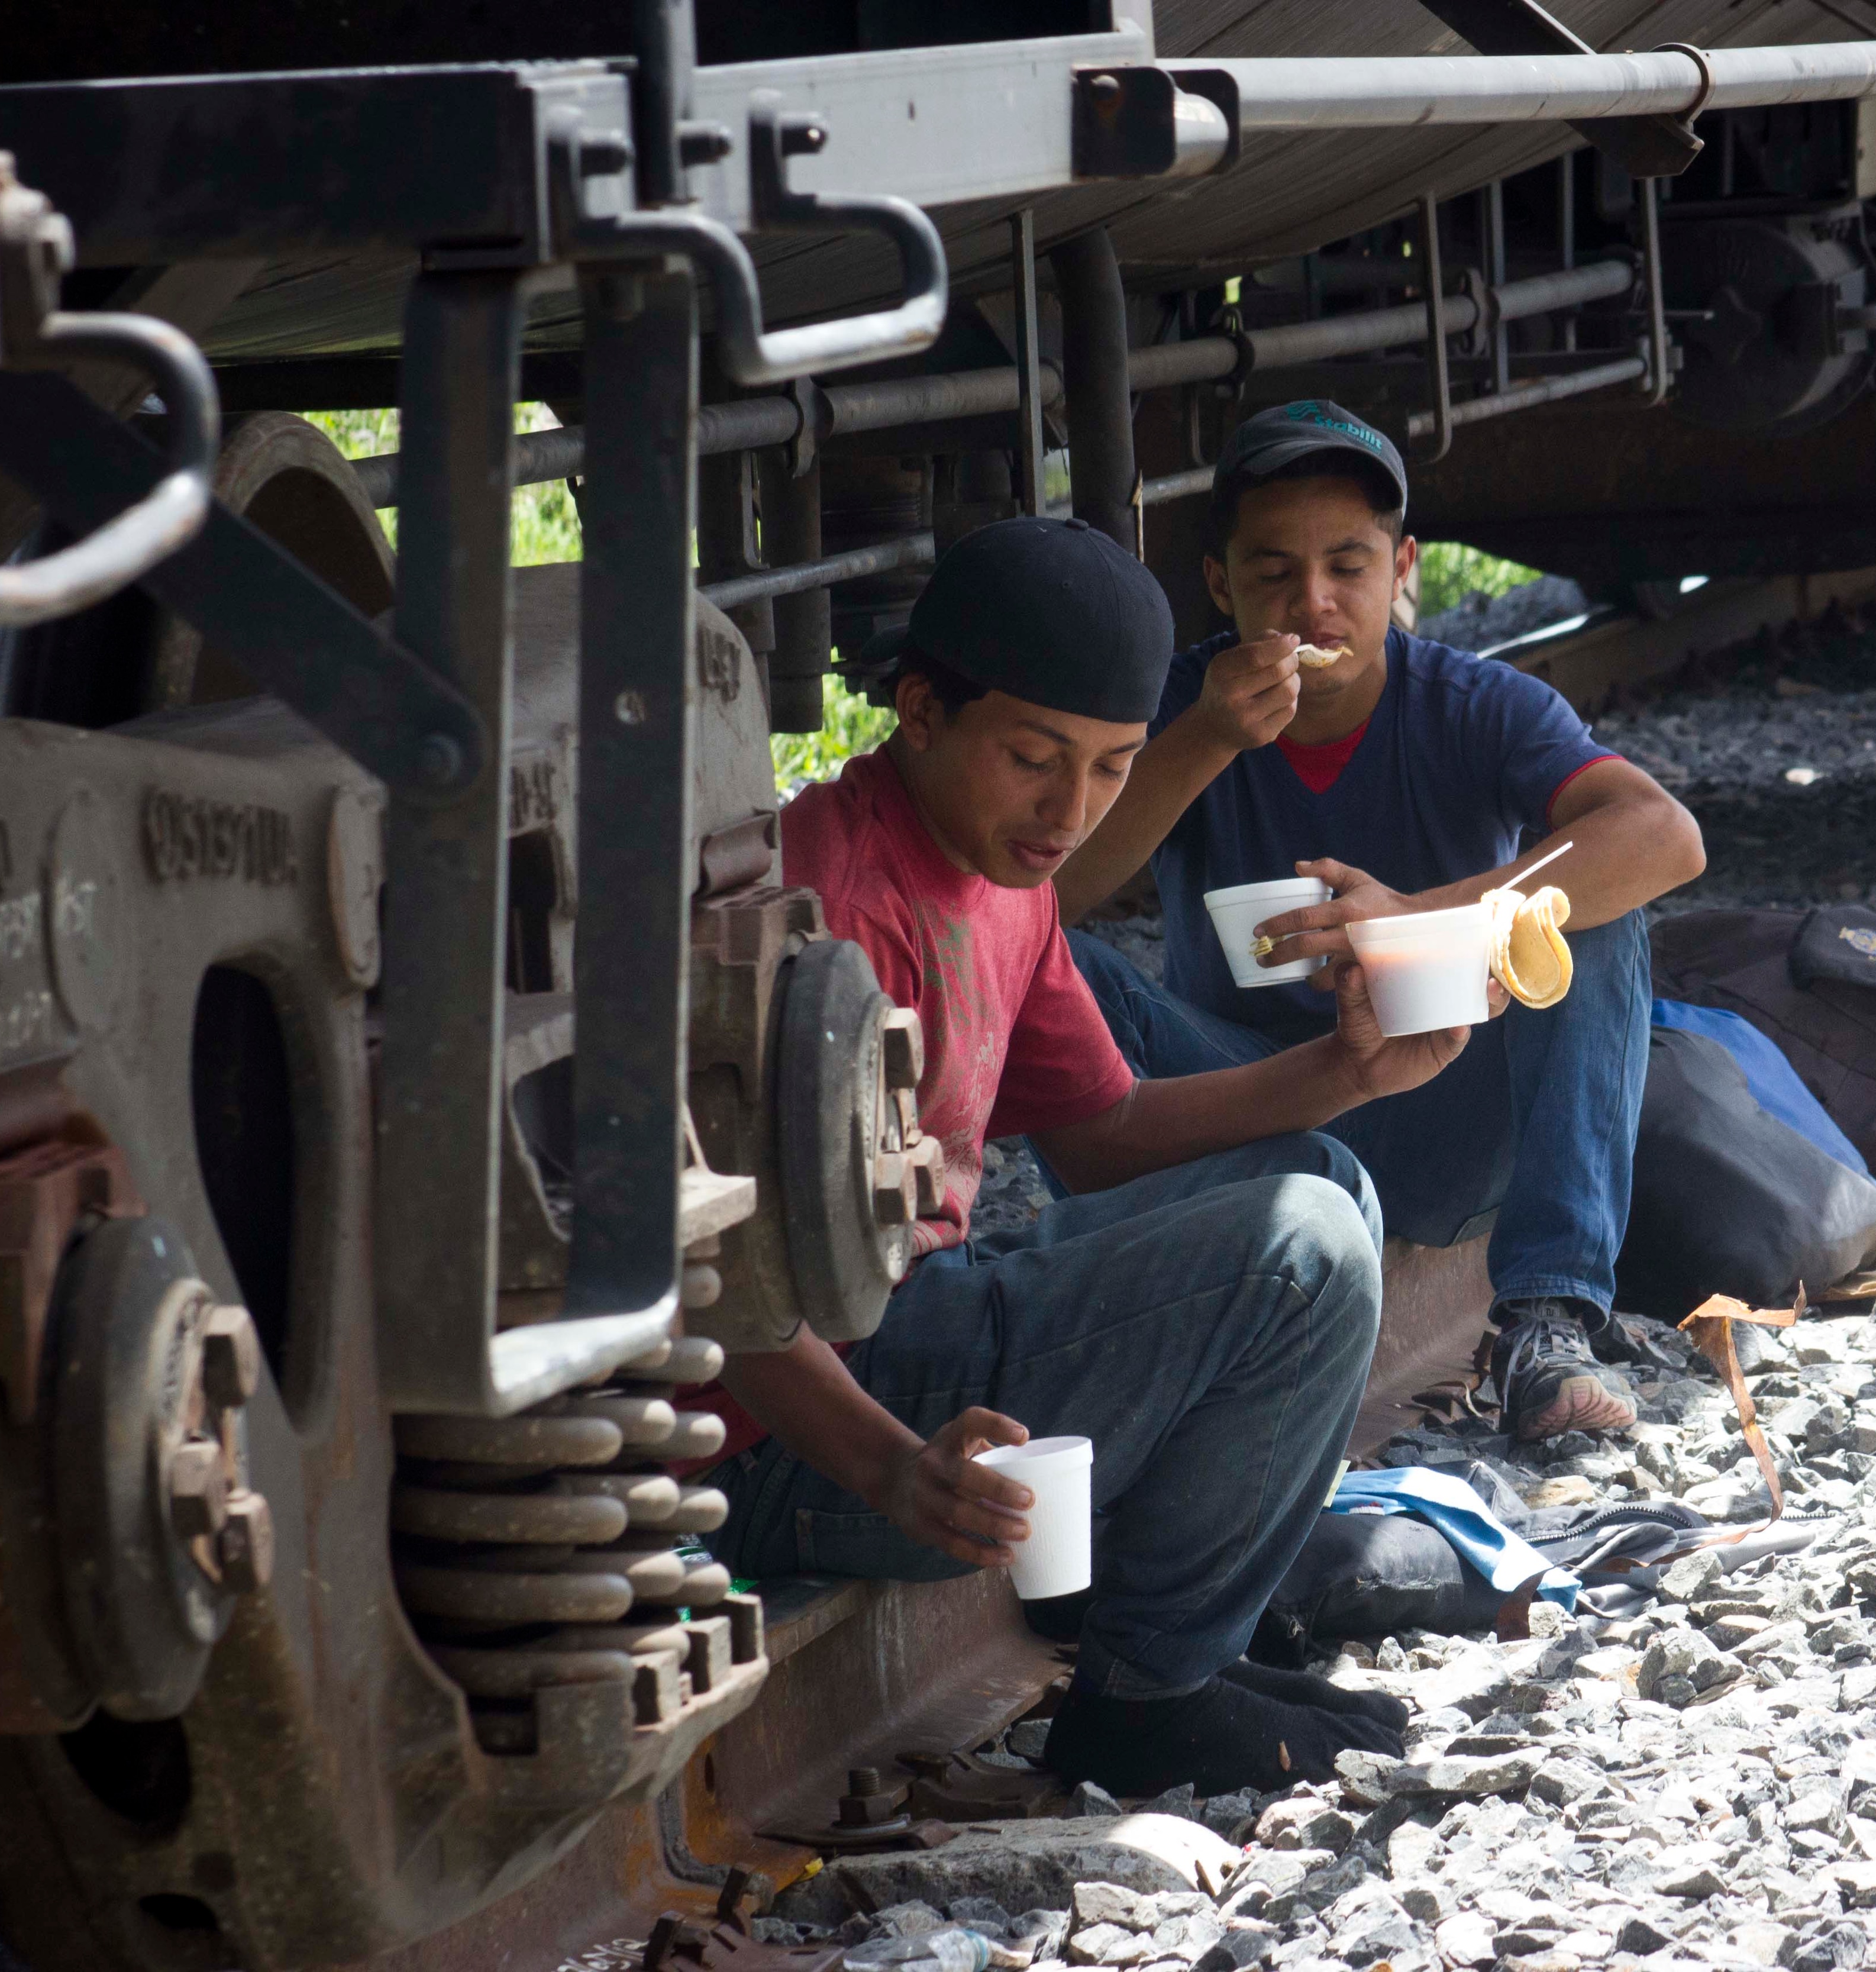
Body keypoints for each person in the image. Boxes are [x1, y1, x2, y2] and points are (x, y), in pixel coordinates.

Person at [694, 516, 1484, 1797]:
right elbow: (719, 1277)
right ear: (919, 711)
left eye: (1115, 769)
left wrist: (1348, 1073)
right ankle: (1148, 1696)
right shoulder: (827, 909)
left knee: (1325, 1180)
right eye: (1034, 758)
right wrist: (897, 1467)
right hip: (787, 1442)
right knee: (1307, 1247)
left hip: (903, 1351)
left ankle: (1170, 1621)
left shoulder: (995, 868)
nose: (1072, 811)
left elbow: (1102, 1130)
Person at [1054, 401, 1707, 1443]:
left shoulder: (1473, 702)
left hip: (1442, 1104)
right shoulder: (1179, 707)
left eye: (1347, 567)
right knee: (1059, 964)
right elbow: (1046, 895)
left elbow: (1664, 835)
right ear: (1219, 585)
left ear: (1402, 568)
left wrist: (1411, 921)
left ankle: (1548, 1320)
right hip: (1243, 1111)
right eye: (1272, 572)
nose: (1312, 603)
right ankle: (1108, 1298)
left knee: (1580, 917)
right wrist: (1207, 739)